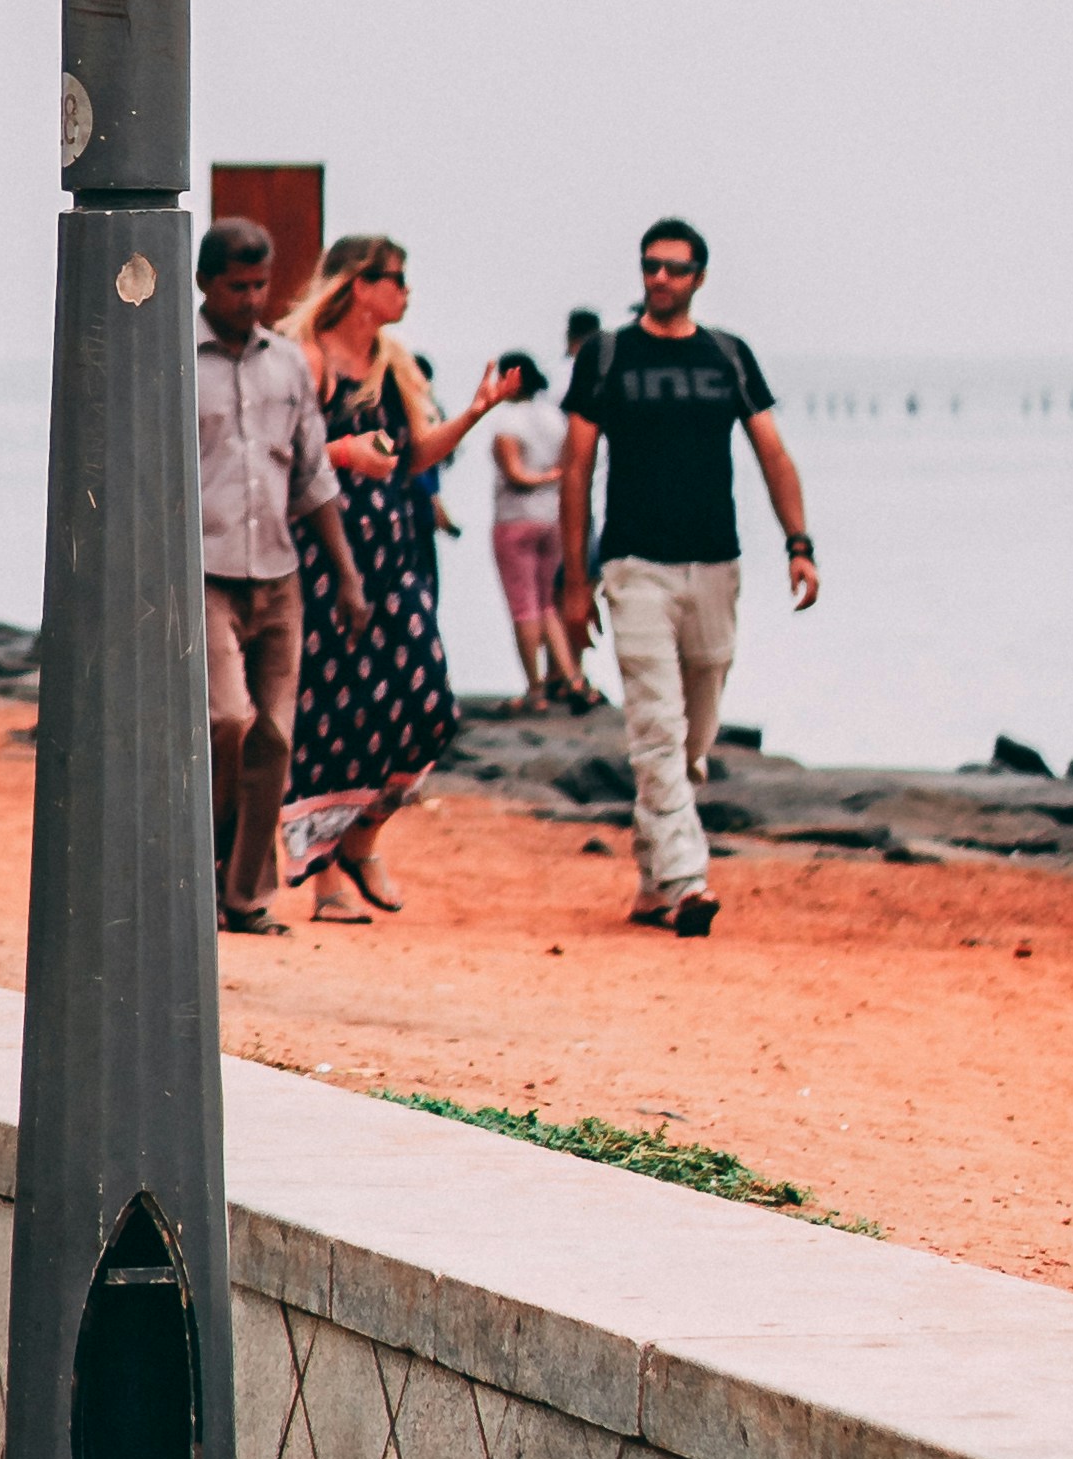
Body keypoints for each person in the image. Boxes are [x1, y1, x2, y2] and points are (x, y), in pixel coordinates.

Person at [557, 219, 819, 935]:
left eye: (674, 267)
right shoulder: (606, 357)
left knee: (693, 734)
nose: (660, 278)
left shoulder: (728, 355)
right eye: (650, 266)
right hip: (633, 563)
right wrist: (573, 578)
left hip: (716, 563)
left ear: (698, 275)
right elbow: (576, 469)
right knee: (656, 724)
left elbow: (772, 450)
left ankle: (650, 881)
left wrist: (798, 542)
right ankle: (684, 880)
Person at [276, 236, 507, 921]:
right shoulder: (308, 357)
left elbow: (411, 457)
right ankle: (323, 881)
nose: (406, 292)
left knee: (429, 705)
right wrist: (346, 451)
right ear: (355, 284)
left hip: (394, 552)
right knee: (332, 712)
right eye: (395, 279)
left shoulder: (393, 362)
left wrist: (475, 411)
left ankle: (362, 837)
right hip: (325, 553)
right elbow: (279, 449)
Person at [195, 217, 368, 931]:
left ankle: (244, 895)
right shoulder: (177, 359)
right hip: (205, 571)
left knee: (274, 736)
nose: (251, 298)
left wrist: (348, 577)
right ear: (206, 281)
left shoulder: (286, 364)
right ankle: (202, 861)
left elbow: (313, 475)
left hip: (279, 572)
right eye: (237, 285)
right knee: (227, 722)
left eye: (261, 284)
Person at [483, 350, 586, 702]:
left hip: (515, 519)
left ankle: (535, 688)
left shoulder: (507, 422)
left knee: (523, 606)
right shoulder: (554, 417)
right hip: (552, 517)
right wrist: (558, 477)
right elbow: (573, 461)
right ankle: (572, 678)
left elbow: (516, 475)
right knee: (547, 604)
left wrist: (542, 477)